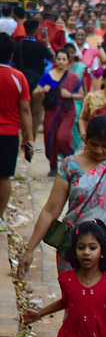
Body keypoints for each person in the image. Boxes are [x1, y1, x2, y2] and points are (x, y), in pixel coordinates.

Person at [20, 115, 106, 337]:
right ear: (85, 140)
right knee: (77, 304)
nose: (99, 151)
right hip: (76, 249)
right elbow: (51, 209)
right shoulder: (71, 165)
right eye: (94, 145)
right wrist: (30, 248)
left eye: (105, 146)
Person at [0, 33, 34, 216]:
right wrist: (29, 138)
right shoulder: (18, 77)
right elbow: (25, 111)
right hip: (9, 134)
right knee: (4, 177)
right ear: (11, 55)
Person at [36, 49, 83, 173]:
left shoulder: (73, 77)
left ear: (68, 61)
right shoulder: (48, 75)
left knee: (62, 136)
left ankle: (69, 159)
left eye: (64, 59)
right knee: (50, 139)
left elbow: (81, 94)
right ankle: (53, 167)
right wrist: (42, 90)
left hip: (67, 110)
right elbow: (35, 93)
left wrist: (70, 95)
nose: (61, 62)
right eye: (59, 59)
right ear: (55, 60)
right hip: (51, 110)